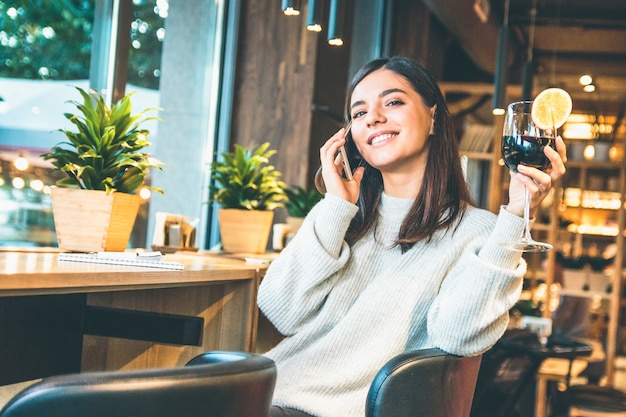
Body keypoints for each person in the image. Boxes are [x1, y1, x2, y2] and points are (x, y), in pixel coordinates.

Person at [258, 56, 567, 417]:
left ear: (433, 118)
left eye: (393, 102)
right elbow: (282, 309)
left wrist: (515, 216)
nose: (372, 117)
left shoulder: (477, 232)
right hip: (270, 393)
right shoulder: (344, 218)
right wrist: (334, 205)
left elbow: (458, 336)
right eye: (359, 113)